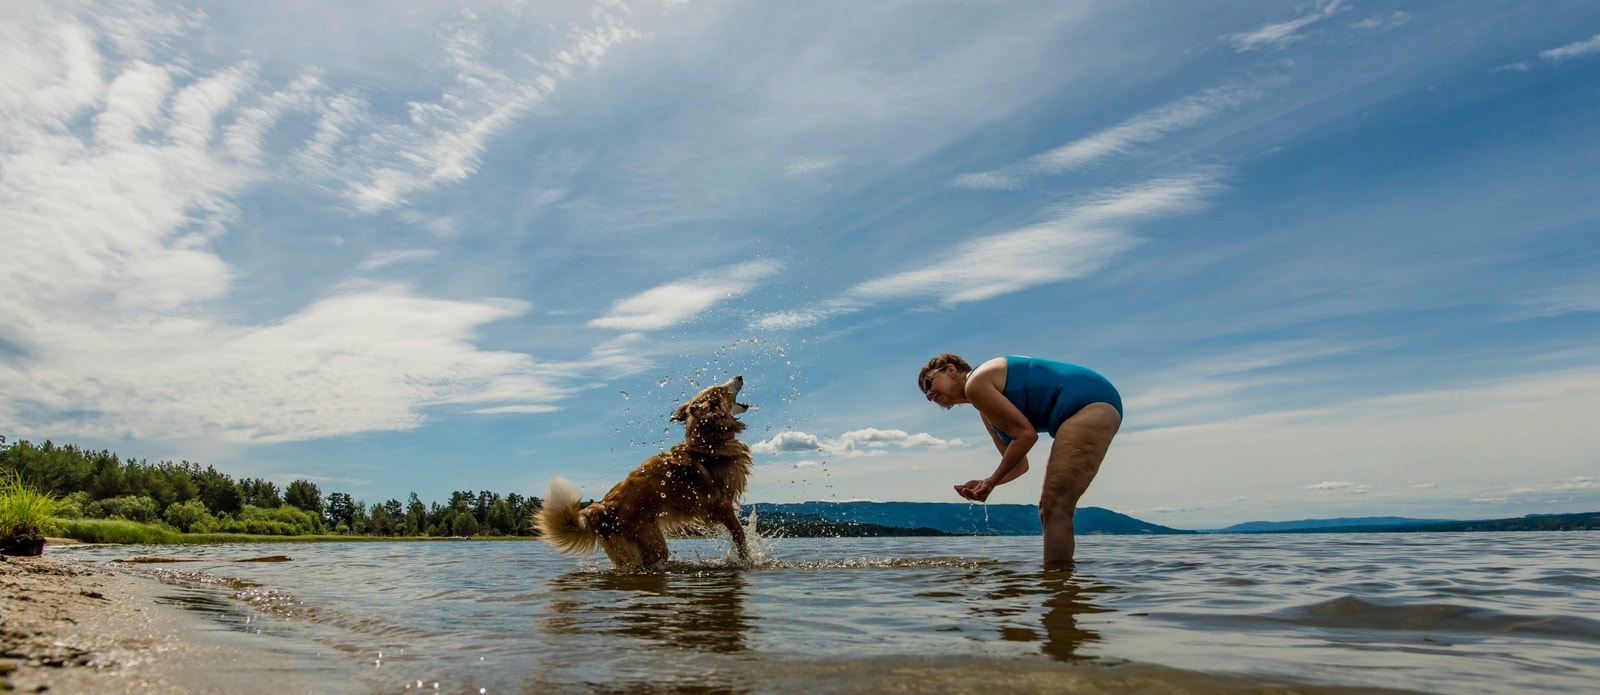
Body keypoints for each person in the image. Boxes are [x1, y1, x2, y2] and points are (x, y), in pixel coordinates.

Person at [918, 353, 1122, 569]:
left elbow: (1026, 436)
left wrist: (991, 482)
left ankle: (1058, 588)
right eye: (925, 393)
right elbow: (1019, 465)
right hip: (1093, 405)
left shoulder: (976, 383)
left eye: (929, 383)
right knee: (1052, 508)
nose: (929, 395)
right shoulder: (985, 410)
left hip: (1091, 404)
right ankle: (1060, 587)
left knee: (1055, 507)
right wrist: (985, 482)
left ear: (951, 370)